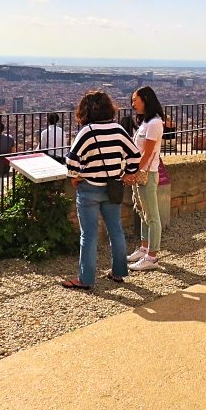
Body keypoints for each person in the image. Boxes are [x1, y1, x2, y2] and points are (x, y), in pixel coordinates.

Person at [62, 91, 139, 290]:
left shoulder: (87, 131)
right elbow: (134, 155)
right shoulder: (118, 129)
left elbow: (71, 160)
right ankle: (119, 272)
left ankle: (85, 279)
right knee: (116, 230)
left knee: (89, 235)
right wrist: (126, 174)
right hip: (113, 187)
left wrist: (74, 176)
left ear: (85, 110)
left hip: (89, 188)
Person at [126, 86, 167, 272]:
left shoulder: (155, 123)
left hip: (147, 173)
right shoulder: (145, 122)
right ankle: (144, 248)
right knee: (142, 211)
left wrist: (135, 171)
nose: (133, 104)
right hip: (141, 172)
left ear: (146, 100)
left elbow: (149, 152)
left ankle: (152, 256)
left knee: (152, 215)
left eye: (136, 100)